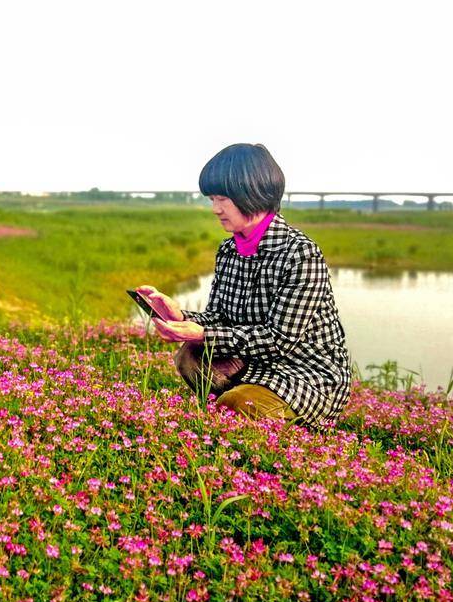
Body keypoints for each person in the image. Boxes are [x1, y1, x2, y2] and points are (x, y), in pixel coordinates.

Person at [136, 143, 351, 426]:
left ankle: (261, 416)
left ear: (252, 194)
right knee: (190, 356)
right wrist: (181, 316)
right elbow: (219, 316)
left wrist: (202, 334)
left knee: (234, 403)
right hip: (254, 364)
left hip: (304, 375)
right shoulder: (229, 250)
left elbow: (279, 340)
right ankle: (246, 414)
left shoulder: (300, 254)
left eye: (222, 198)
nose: (215, 209)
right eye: (212, 199)